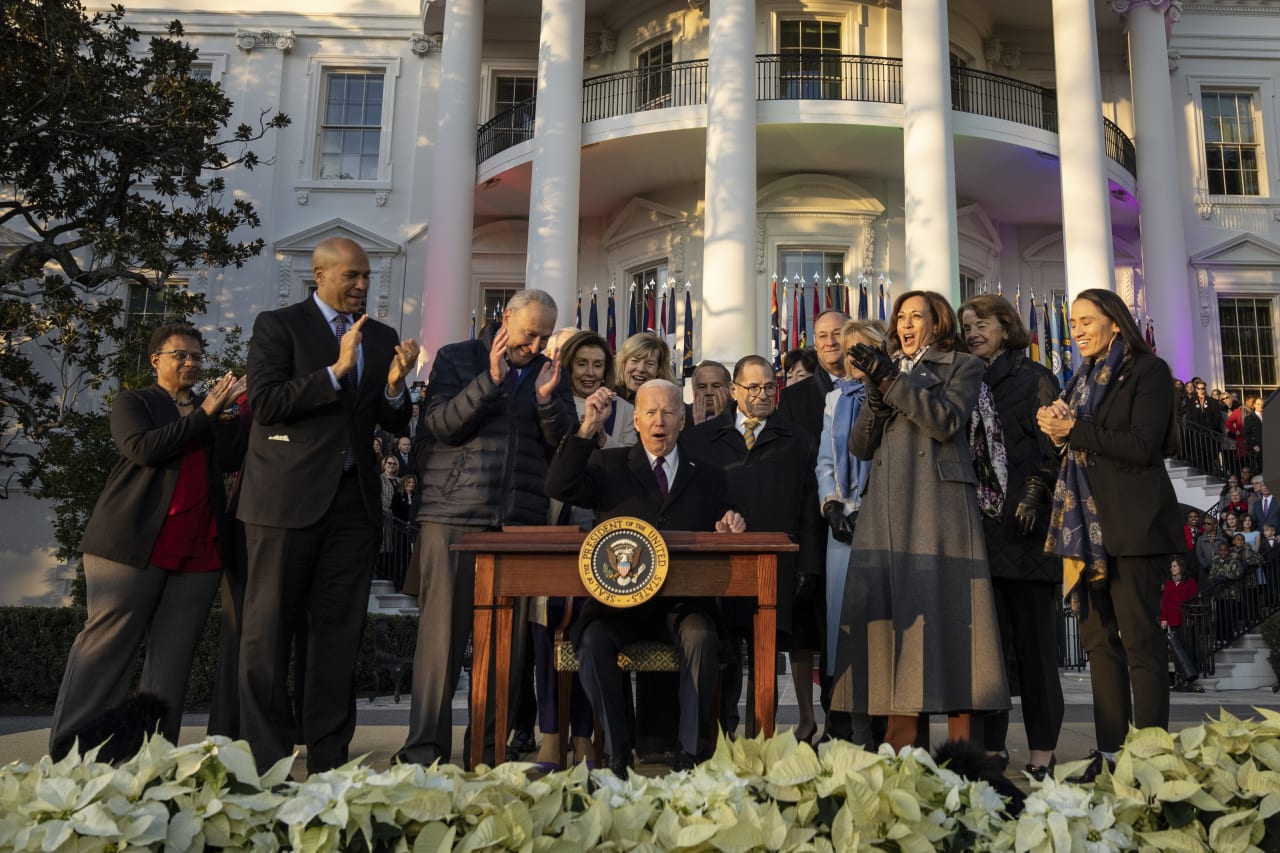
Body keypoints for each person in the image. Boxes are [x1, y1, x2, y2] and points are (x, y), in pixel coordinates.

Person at [236, 236, 418, 773]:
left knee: (337, 640)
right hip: (282, 506)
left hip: (352, 509)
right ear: (318, 274)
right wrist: (335, 372)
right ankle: (264, 763)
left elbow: (391, 422)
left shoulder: (381, 336)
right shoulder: (279, 325)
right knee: (267, 636)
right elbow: (265, 405)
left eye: (367, 277)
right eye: (352, 277)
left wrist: (393, 386)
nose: (363, 285)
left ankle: (328, 759)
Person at [397, 288, 576, 767]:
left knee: (506, 649)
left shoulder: (548, 374)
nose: (534, 345)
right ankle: (422, 753)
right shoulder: (458, 358)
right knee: (440, 642)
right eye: (528, 333)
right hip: (452, 517)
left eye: (543, 336)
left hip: (518, 525)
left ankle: (488, 752)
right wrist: (490, 380)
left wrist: (544, 402)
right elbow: (438, 425)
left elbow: (565, 446)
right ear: (506, 318)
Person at [50, 325, 246, 759]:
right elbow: (143, 449)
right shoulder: (135, 401)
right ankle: (69, 754)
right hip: (132, 543)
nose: (192, 363)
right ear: (156, 359)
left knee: (171, 667)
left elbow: (230, 460)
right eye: (181, 355)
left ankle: (149, 762)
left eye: (197, 356)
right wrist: (205, 415)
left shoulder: (208, 410)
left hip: (199, 550)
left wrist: (230, 416)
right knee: (106, 649)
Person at [831, 290, 1009, 751]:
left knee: (952, 621)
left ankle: (963, 752)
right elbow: (859, 447)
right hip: (888, 508)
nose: (906, 324)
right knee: (896, 625)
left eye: (917, 316)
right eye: (901, 317)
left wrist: (892, 381)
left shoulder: (962, 366)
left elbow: (946, 422)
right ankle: (902, 749)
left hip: (939, 508)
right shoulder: (890, 370)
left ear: (938, 322)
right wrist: (877, 389)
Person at [545, 379, 746, 776]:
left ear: (682, 420)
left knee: (702, 638)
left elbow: (727, 516)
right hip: (619, 604)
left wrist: (732, 521)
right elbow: (559, 485)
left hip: (683, 605)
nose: (659, 421)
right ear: (636, 420)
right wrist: (587, 429)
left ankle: (688, 753)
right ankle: (618, 754)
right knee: (592, 641)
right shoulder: (610, 464)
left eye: (669, 412)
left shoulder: (708, 474)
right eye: (650, 412)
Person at [1036, 287, 1182, 782]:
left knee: (1141, 643)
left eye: (1085, 320)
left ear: (1115, 322)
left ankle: (1152, 759)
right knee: (1100, 646)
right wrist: (1057, 429)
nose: (1075, 330)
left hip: (1136, 528)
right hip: (1086, 535)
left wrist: (1072, 429)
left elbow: (1143, 446)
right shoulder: (1078, 380)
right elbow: (1079, 449)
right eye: (1071, 322)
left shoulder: (1149, 372)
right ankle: (1110, 756)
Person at [685, 355, 821, 742]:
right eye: (754, 388)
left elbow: (809, 510)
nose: (763, 395)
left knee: (765, 661)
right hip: (718, 567)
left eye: (769, 387)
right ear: (734, 391)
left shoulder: (797, 440)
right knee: (720, 656)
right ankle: (715, 742)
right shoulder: (700, 439)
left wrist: (806, 567)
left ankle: (759, 741)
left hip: (775, 568)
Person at [960, 294, 1064, 780]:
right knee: (988, 652)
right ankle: (991, 749)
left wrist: (1035, 491)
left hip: (1026, 531)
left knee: (1035, 648)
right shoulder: (965, 381)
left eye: (982, 324)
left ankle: (1042, 749)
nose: (973, 332)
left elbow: (1056, 450)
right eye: (966, 326)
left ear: (1006, 327)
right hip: (979, 531)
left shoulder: (1034, 378)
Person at [815, 318, 886, 747]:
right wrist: (832, 504)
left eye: (862, 347)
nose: (852, 355)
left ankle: (883, 728)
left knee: (883, 628)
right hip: (843, 525)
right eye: (848, 347)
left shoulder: (891, 394)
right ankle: (853, 730)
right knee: (845, 630)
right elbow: (825, 460)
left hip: (882, 521)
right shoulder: (834, 398)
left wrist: (872, 507)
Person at [1159, 556, 1199, 692]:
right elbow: (1164, 603)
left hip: (1185, 619)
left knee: (1186, 648)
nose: (1172, 569)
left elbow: (1194, 600)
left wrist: (1190, 614)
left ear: (1181, 567)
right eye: (1171, 567)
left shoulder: (1190, 582)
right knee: (1176, 650)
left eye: (1174, 566)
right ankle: (1178, 679)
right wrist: (1163, 619)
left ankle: (1188, 678)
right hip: (1172, 619)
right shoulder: (1169, 584)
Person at [613, 332, 675, 402]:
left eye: (650, 364)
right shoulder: (606, 400)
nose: (641, 369)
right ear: (623, 363)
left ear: (659, 369)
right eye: (635, 361)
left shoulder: (670, 404)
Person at [688, 360, 733, 427]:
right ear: (693, 391)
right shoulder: (682, 418)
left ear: (730, 389)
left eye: (716, 386)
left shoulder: (740, 416)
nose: (709, 392)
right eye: (702, 387)